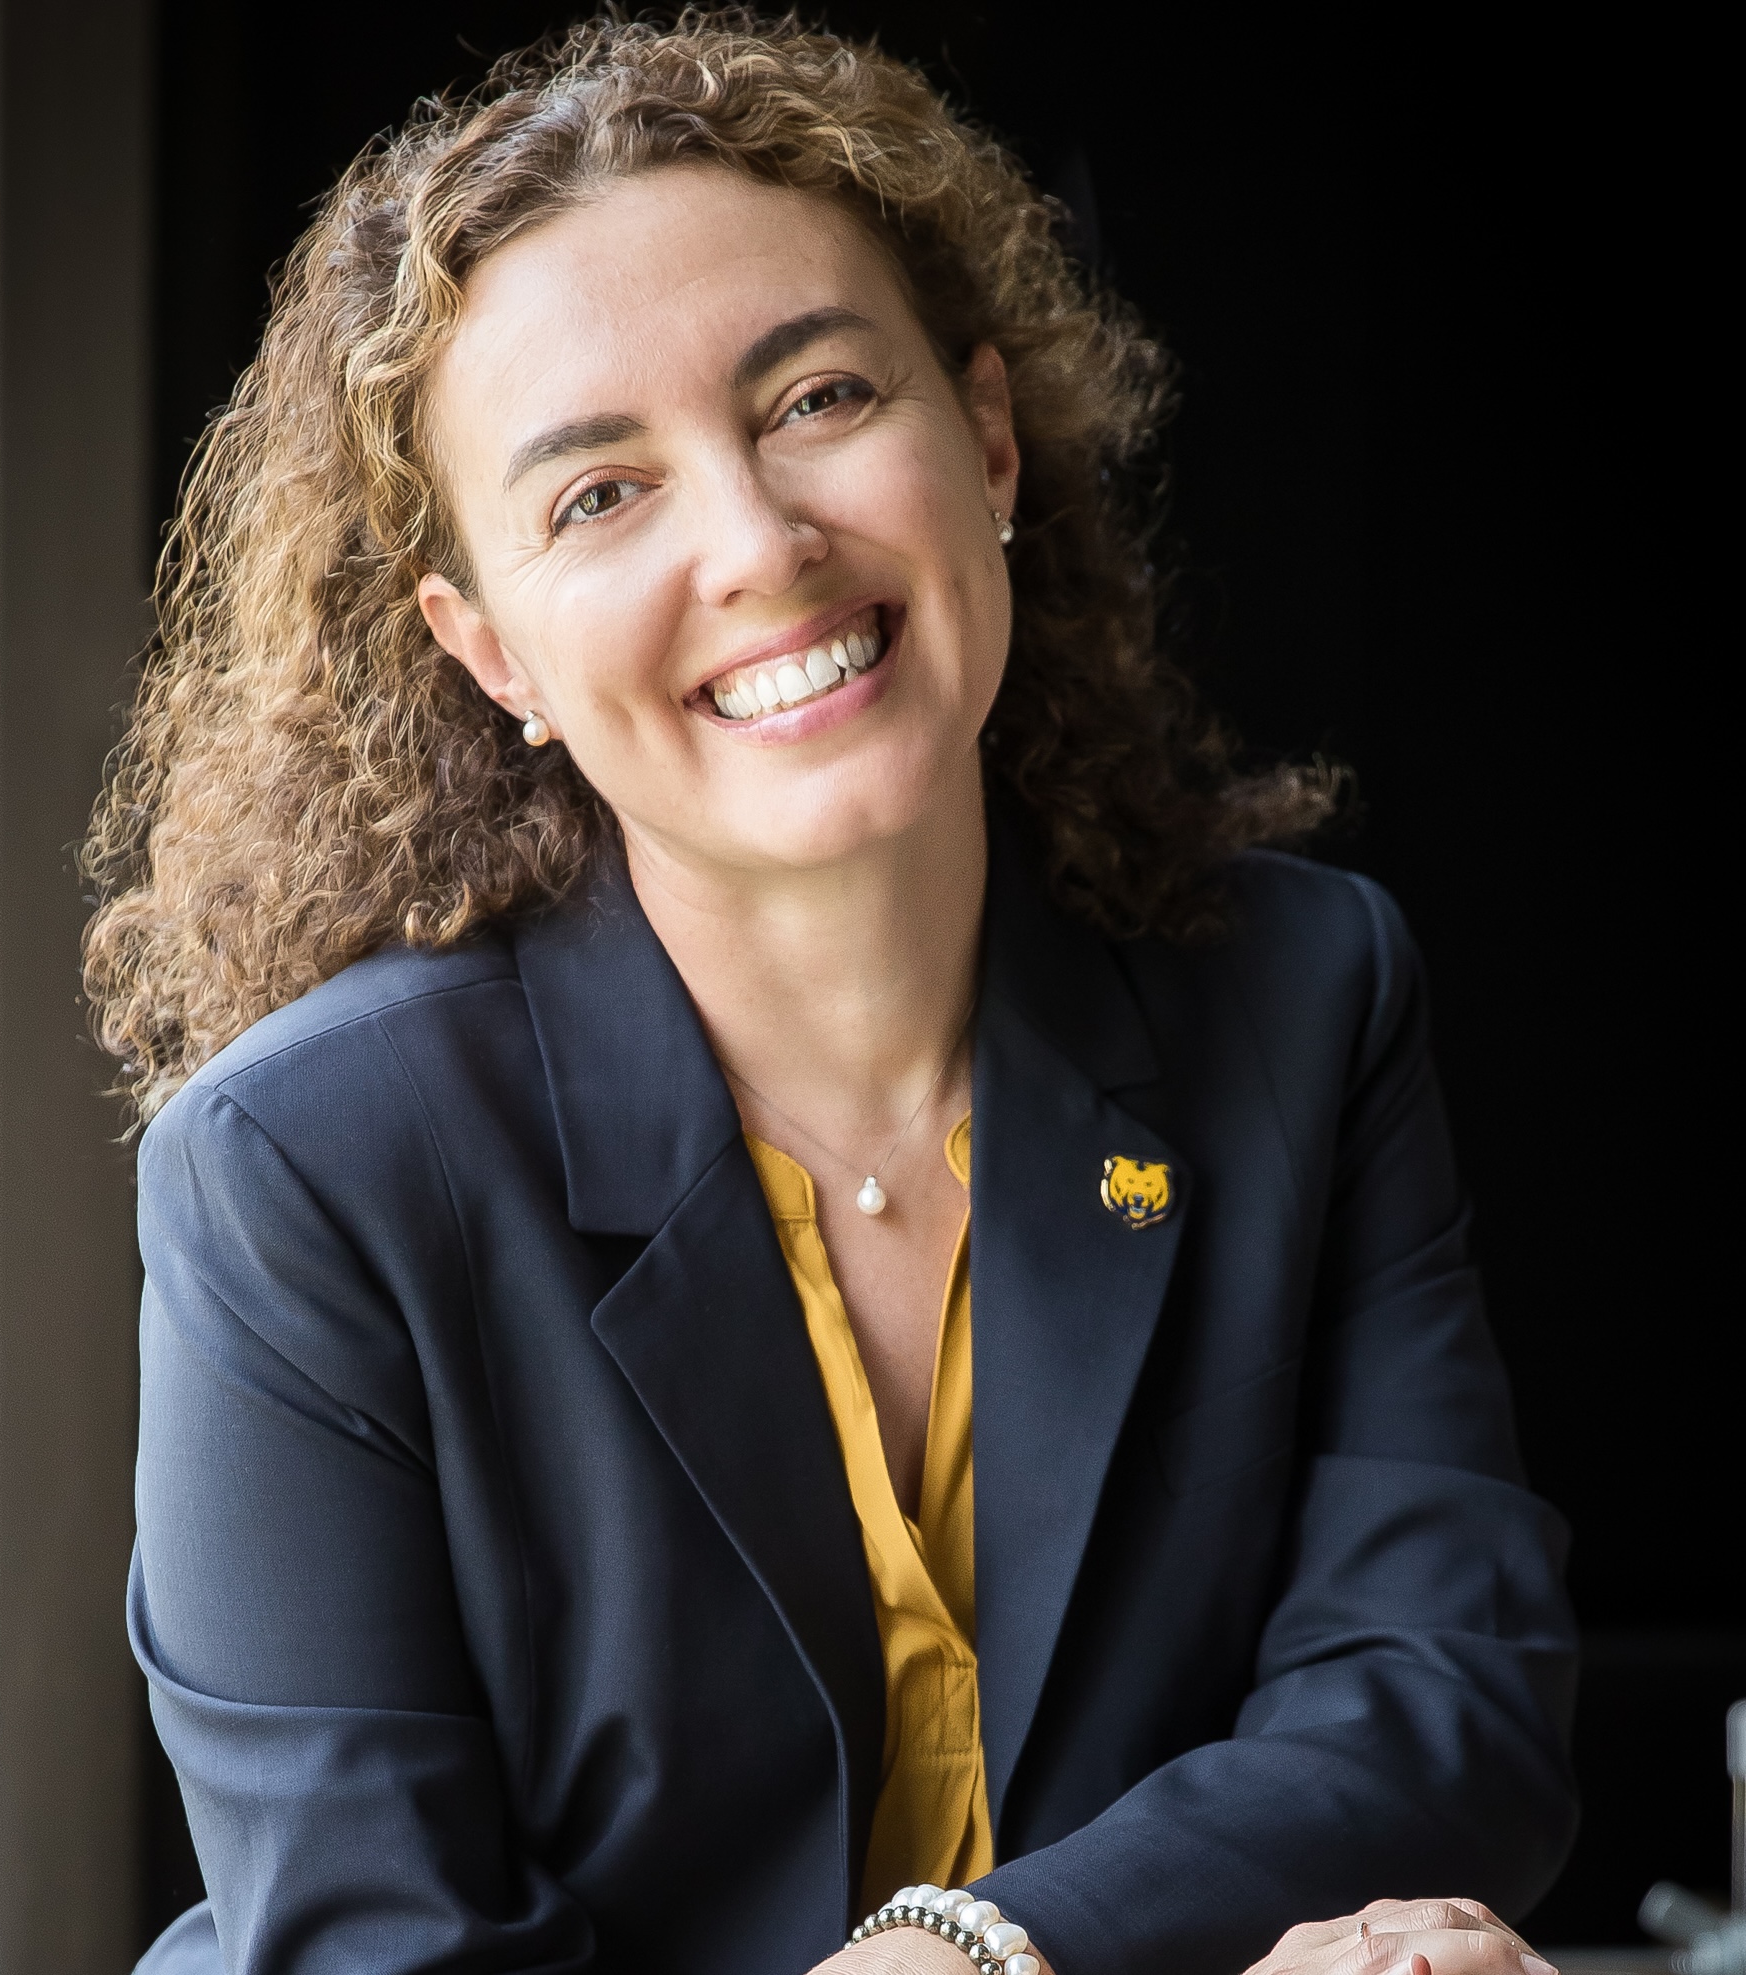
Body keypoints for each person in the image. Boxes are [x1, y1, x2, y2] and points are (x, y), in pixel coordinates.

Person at [85, 16, 1577, 1973]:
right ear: (486, 650)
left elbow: (1441, 1710)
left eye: (814, 396)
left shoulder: (1301, 998)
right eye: (597, 496)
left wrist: (984, 1948)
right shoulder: (303, 1168)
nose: (761, 543)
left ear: (987, 440)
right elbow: (382, 1945)